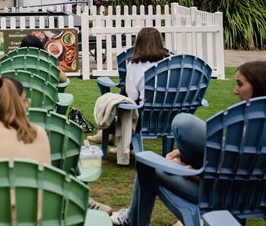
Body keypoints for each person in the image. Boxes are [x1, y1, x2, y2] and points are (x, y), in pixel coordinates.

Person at [109, 60, 266, 226]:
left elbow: (223, 176)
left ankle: (132, 219)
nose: (235, 90)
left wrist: (185, 169)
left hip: (218, 196)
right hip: (255, 197)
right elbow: (235, 158)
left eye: (240, 84)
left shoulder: (244, 124)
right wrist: (184, 155)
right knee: (185, 124)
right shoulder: (252, 129)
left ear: (258, 86)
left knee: (147, 165)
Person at [87, 27, 169, 144]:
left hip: (144, 117)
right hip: (169, 115)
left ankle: (108, 134)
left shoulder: (134, 65)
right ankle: (110, 135)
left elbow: (132, 96)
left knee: (123, 102)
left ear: (138, 43)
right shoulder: (170, 62)